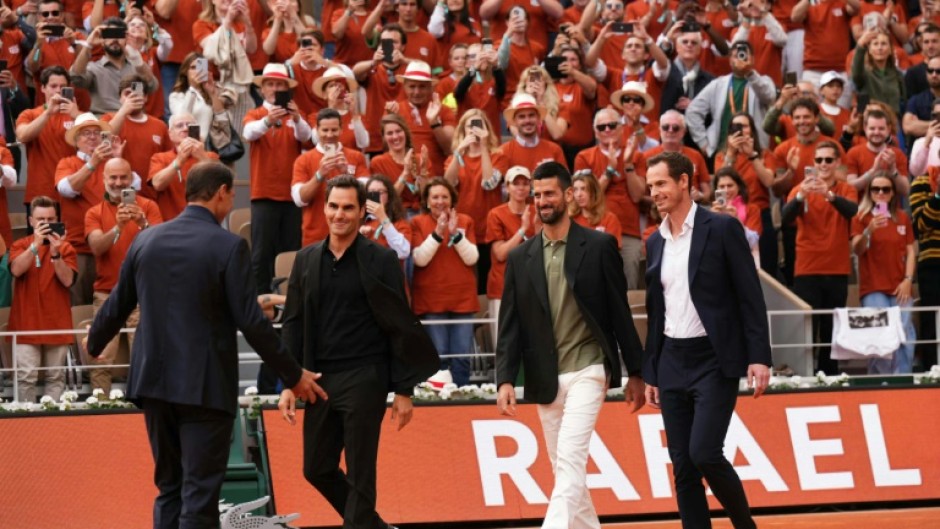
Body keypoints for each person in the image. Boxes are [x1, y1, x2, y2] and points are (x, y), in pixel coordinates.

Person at [86, 161, 322, 529]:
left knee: (169, 488)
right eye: (231, 194)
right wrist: (293, 374)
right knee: (199, 495)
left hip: (153, 383)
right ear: (222, 194)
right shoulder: (229, 246)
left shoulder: (146, 239)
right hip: (204, 387)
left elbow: (117, 302)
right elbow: (251, 322)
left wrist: (95, 339)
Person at [277, 175, 439, 529]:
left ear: (361, 211)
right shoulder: (305, 260)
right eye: (333, 206)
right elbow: (293, 323)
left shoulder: (380, 259)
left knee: (361, 471)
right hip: (318, 380)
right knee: (316, 468)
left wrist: (404, 389)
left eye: (348, 207)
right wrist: (290, 381)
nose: (339, 214)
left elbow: (399, 324)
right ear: (324, 208)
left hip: (366, 376)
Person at [496, 160, 646, 529]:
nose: (542, 200)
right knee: (565, 470)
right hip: (546, 376)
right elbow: (509, 325)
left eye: (549, 193)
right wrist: (503, 380)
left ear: (567, 195)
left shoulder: (598, 246)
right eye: (537, 194)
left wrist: (637, 372)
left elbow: (618, 311)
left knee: (570, 461)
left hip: (589, 369)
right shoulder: (520, 257)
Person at [643, 150, 772, 529]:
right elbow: (656, 312)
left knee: (704, 453)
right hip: (670, 361)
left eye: (662, 183)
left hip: (713, 359)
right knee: (682, 466)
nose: (655, 192)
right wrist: (652, 369)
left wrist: (759, 356)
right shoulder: (655, 242)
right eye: (651, 186)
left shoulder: (722, 228)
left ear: (684, 182)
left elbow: (750, 295)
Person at [85, 158, 163, 395]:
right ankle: (101, 408)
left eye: (123, 177)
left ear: (132, 179)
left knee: (147, 355)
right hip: (107, 293)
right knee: (100, 358)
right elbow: (96, 247)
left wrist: (143, 224)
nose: (118, 183)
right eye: (113, 177)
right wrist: (117, 228)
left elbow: (161, 247)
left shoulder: (148, 206)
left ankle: (143, 408)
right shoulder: (94, 212)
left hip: (143, 294)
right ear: (104, 179)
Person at [782, 141, 859, 374]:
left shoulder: (845, 189)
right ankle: (806, 375)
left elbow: (852, 211)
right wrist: (800, 197)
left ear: (837, 163)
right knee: (808, 327)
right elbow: (786, 218)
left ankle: (830, 376)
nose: (823, 164)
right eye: (819, 160)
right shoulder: (799, 190)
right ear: (813, 163)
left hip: (837, 268)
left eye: (828, 160)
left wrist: (829, 194)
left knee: (831, 329)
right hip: (807, 268)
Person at [243, 63, 311, 293]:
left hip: (291, 195)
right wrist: (268, 120)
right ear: (262, 89)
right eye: (270, 84)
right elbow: (248, 132)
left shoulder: (294, 115)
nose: (274, 88)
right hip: (263, 194)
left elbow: (307, 137)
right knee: (261, 254)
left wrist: (298, 118)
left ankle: (289, 301)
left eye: (279, 84)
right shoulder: (256, 114)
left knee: (291, 251)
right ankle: (261, 303)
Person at [410, 177, 479, 388]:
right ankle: (441, 403)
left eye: (445, 196)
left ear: (452, 199)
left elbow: (473, 258)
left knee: (461, 357)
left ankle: (464, 398)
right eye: (435, 197)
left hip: (462, 299)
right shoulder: (417, 223)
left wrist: (456, 234)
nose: (440, 201)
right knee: (439, 359)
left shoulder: (465, 221)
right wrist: (438, 233)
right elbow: (419, 259)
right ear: (427, 201)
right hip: (432, 299)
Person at [8, 196, 76, 403]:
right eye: (40, 220)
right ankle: (25, 421)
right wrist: (35, 246)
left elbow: (67, 281)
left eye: (50, 218)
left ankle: (52, 420)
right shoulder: (20, 244)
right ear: (30, 222)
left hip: (57, 322)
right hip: (26, 323)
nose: (46, 224)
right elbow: (17, 270)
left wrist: (55, 254)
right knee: (25, 377)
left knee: (55, 377)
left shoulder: (66, 248)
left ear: (57, 219)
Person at [573, 107, 645, 289]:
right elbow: (585, 195)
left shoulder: (636, 155)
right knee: (595, 283)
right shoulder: (584, 156)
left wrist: (627, 164)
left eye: (612, 125)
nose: (607, 130)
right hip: (592, 228)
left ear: (621, 128)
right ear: (595, 132)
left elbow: (637, 195)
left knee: (628, 284)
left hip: (629, 229)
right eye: (601, 127)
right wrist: (610, 170)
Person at [850, 175, 916, 374]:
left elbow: (911, 250)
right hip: (873, 286)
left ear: (893, 193)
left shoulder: (902, 217)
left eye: (885, 190)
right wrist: (869, 230)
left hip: (900, 284)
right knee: (878, 336)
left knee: (904, 332)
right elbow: (857, 249)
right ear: (869, 193)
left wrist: (908, 279)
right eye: (875, 189)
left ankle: (903, 378)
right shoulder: (860, 217)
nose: (880, 193)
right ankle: (881, 381)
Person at [685, 40, 776, 159]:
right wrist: (703, 143)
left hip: (755, 150)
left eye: (743, 54)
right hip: (723, 150)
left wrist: (749, 73)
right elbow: (693, 111)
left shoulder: (762, 81)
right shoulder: (718, 84)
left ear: (752, 59)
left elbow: (769, 97)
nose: (740, 58)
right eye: (735, 55)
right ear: (730, 60)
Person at [715, 112, 776, 275]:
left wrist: (752, 155)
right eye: (736, 127)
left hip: (759, 214)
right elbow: (719, 184)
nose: (740, 130)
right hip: (730, 215)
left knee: (765, 267)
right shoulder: (722, 156)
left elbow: (769, 181)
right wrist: (730, 155)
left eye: (744, 126)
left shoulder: (764, 154)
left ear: (752, 130)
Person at [485, 165, 537, 342]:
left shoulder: (537, 211)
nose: (521, 188)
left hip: (531, 287)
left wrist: (535, 228)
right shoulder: (496, 214)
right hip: (502, 287)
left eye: (525, 183)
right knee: (504, 344)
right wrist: (523, 229)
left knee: (531, 343)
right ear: (507, 187)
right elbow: (500, 254)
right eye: (516, 183)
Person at [70, 17, 159, 115]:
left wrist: (137, 61)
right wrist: (88, 45)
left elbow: (152, 86)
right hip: (104, 121)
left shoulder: (137, 67)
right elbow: (75, 78)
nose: (115, 39)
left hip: (133, 119)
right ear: (102, 41)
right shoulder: (93, 68)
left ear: (126, 39)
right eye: (110, 34)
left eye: (119, 34)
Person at [149, 113, 220, 221]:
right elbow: (157, 184)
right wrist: (179, 161)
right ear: (170, 134)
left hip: (204, 221)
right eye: (179, 126)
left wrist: (203, 157)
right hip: (171, 222)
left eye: (190, 125)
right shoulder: (160, 158)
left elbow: (221, 186)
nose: (185, 128)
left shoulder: (210, 156)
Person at [910, 166, 940, 370]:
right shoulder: (921, 182)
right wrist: (937, 195)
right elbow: (921, 224)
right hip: (932, 262)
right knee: (932, 320)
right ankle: (933, 370)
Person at [853, 27, 906, 116]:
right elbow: (856, 74)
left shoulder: (898, 74)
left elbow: (903, 100)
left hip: (893, 121)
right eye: (875, 44)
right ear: (869, 50)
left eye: (884, 44)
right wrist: (861, 45)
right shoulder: (864, 74)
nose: (880, 48)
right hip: (871, 121)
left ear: (890, 50)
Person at [569, 172, 623, 247]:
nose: (579, 194)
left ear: (594, 191)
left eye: (583, 189)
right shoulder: (570, 220)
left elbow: (611, 251)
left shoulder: (610, 219)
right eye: (575, 190)